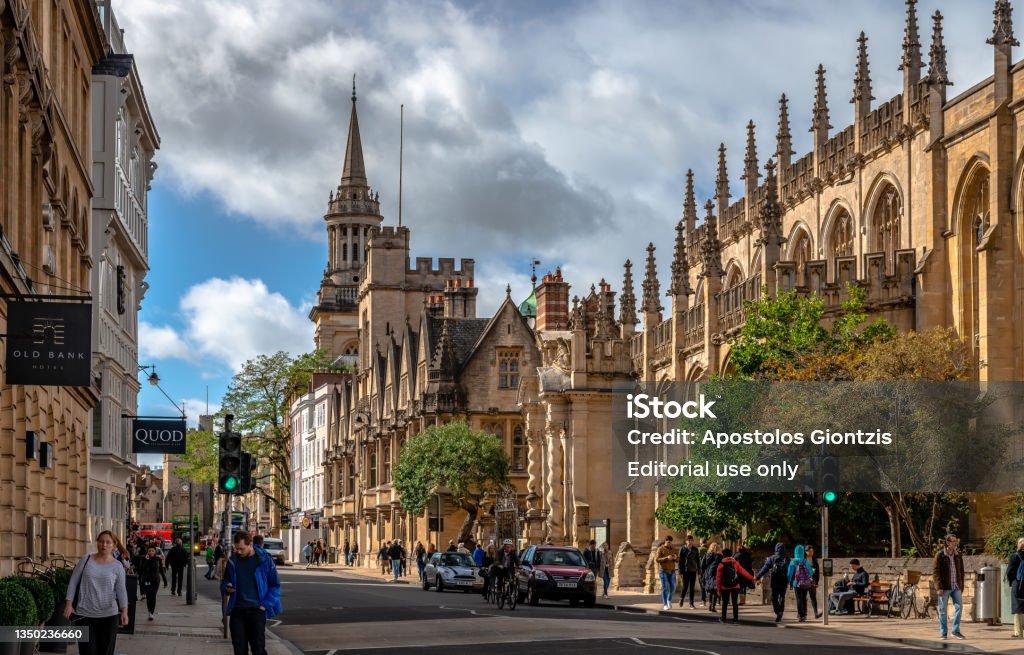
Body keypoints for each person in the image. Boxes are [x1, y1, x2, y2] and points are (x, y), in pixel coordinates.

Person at [64, 530, 129, 655]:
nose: (104, 545)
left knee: (105, 652)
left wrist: (124, 611)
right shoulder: (86, 560)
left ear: (114, 546)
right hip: (84, 615)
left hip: (109, 616)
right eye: (101, 541)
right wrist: (68, 604)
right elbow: (73, 582)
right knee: (87, 651)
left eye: (108, 542)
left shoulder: (117, 566)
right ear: (97, 543)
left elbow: (121, 590)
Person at [222, 531, 281, 655]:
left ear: (250, 544)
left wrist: (265, 605)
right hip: (237, 611)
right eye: (236, 549)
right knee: (239, 650)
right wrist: (226, 587)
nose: (238, 552)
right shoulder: (233, 561)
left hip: (256, 611)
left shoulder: (265, 560)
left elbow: (275, 585)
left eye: (241, 549)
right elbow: (225, 580)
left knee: (258, 649)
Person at [934, 533, 966, 641]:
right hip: (944, 588)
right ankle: (943, 633)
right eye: (953, 541)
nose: (955, 543)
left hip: (956, 586)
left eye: (956, 541)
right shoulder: (940, 555)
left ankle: (955, 631)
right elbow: (936, 573)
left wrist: (962, 586)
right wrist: (938, 587)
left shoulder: (958, 555)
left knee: (959, 608)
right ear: (947, 542)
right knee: (943, 611)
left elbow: (961, 571)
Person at [716, 547, 756, 624]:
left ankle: (723, 619)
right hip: (735, 585)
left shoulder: (721, 564)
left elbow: (718, 578)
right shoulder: (735, 563)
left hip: (724, 586)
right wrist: (752, 578)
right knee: (734, 602)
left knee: (725, 602)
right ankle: (735, 619)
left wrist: (718, 589)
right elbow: (743, 572)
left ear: (723, 555)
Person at [755, 542, 790, 624]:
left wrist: (757, 577)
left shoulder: (772, 558)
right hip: (784, 581)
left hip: (775, 581)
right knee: (782, 597)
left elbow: (765, 568)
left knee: (774, 597)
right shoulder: (787, 559)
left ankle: (777, 612)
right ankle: (781, 611)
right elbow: (791, 571)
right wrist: (790, 581)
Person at [787, 545, 816, 622]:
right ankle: (805, 615)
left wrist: (789, 581)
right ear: (803, 552)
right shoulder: (806, 561)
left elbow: (789, 574)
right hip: (805, 583)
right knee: (804, 598)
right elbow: (811, 572)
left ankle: (801, 616)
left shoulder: (793, 562)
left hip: (796, 583)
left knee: (799, 599)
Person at [137, 545, 164, 621]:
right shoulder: (144, 559)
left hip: (156, 581)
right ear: (147, 552)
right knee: (149, 597)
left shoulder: (158, 559)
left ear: (155, 551)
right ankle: (149, 612)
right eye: (149, 551)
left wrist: (165, 581)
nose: (151, 552)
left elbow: (161, 570)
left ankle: (152, 613)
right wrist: (146, 560)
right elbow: (141, 569)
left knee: (153, 596)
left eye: (152, 551)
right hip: (147, 580)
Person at [1006, 537, 1024, 638]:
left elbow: (1008, 572)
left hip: (1017, 584)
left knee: (1018, 608)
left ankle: (1018, 633)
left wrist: (1012, 581)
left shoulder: (1014, 556)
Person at [655, 535, 678, 611]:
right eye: (668, 542)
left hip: (672, 570)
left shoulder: (674, 549)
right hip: (663, 571)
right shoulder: (660, 549)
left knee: (673, 587)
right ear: (665, 541)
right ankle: (665, 604)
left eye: (670, 542)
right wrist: (666, 558)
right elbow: (657, 559)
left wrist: (675, 558)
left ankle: (669, 600)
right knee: (665, 588)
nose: (669, 544)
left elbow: (678, 559)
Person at [677, 535, 700, 609]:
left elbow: (698, 561)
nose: (690, 542)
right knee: (685, 586)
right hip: (685, 571)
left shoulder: (695, 549)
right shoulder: (682, 549)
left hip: (693, 570)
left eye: (691, 540)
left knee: (692, 588)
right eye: (688, 540)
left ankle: (691, 603)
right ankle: (681, 598)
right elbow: (680, 561)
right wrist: (680, 572)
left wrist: (699, 571)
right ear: (686, 541)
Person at [701, 543, 722, 613]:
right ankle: (713, 606)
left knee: (710, 590)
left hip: (707, 574)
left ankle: (710, 605)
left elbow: (702, 565)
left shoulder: (706, 555)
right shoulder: (719, 556)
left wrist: (704, 573)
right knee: (715, 590)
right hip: (716, 574)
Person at [804, 545, 822, 619]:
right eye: (810, 551)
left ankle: (816, 613)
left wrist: (816, 581)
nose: (812, 553)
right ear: (806, 552)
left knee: (813, 597)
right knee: (804, 597)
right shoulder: (803, 559)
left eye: (812, 551)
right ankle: (803, 614)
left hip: (812, 580)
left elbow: (817, 571)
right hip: (804, 580)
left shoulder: (814, 559)